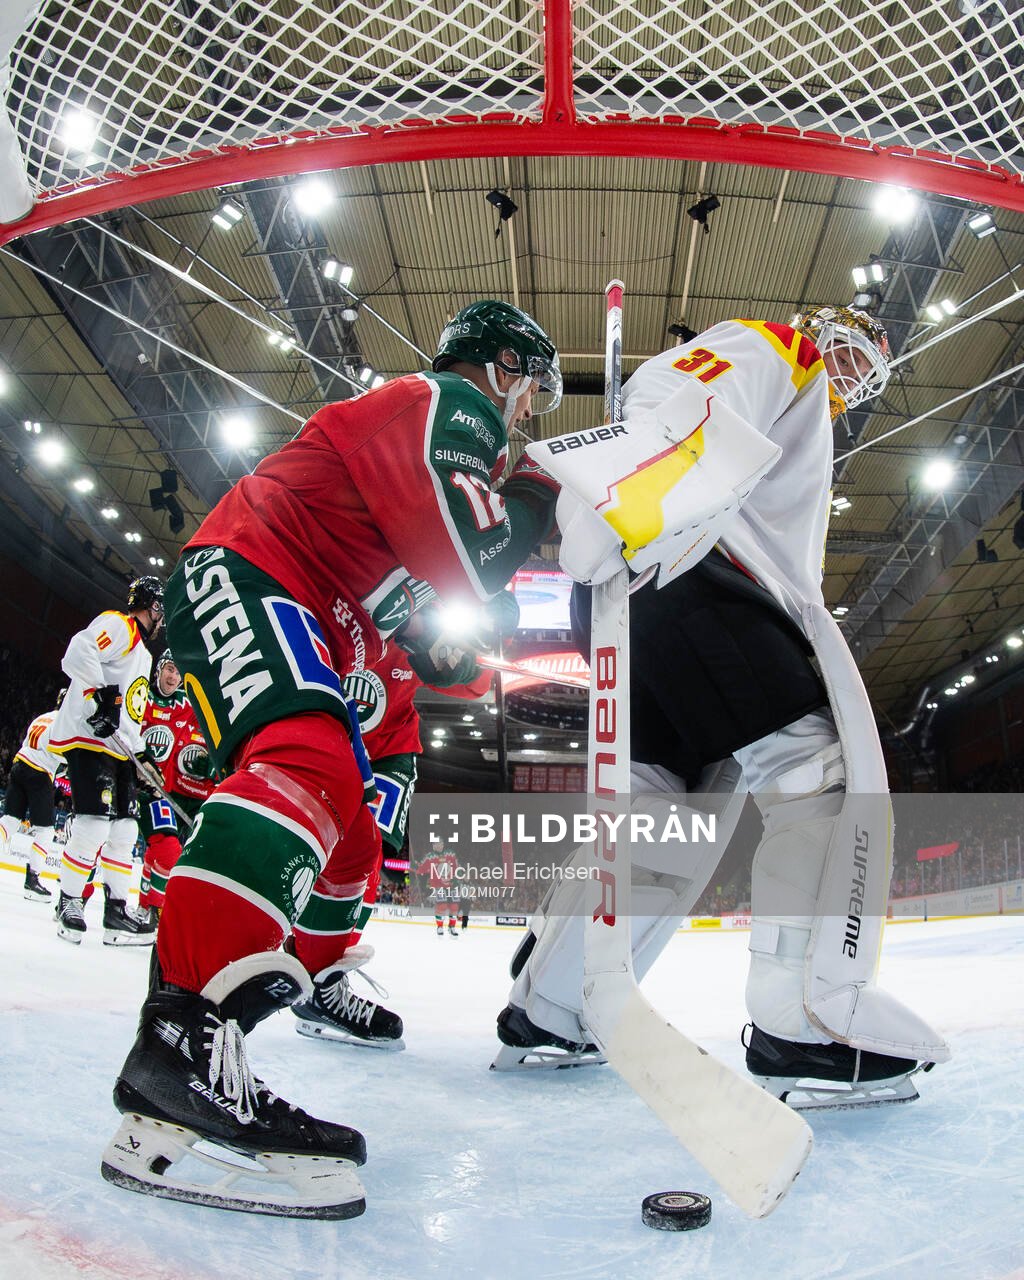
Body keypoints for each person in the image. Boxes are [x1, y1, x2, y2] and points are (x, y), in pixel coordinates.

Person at [102, 299, 562, 1217]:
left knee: (351, 829)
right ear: (504, 367)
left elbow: (424, 618)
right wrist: (546, 488)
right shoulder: (448, 402)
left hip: (305, 596)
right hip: (252, 568)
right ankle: (180, 1047)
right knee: (309, 761)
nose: (522, 419)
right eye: (528, 394)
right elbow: (474, 557)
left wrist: (454, 653)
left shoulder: (415, 447)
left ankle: (238, 1022)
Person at [497, 306, 951, 1107]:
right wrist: (636, 495)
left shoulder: (804, 419)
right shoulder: (785, 347)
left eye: (873, 362)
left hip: (650, 584)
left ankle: (554, 1004)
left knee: (665, 816)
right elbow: (682, 388)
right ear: (828, 329)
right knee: (816, 774)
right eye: (860, 346)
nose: (859, 367)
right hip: (688, 567)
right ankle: (808, 1017)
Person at [292, 613, 498, 1049]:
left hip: (388, 755)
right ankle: (308, 961)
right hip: (325, 744)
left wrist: (465, 655)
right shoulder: (328, 597)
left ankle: (323, 981)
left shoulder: (421, 613)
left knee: (363, 861)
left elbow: (478, 684)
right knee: (315, 854)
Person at [48, 577, 163, 945]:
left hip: (118, 749)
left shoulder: (144, 655)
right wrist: (98, 695)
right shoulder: (120, 625)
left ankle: (115, 911)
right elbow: (79, 650)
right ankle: (69, 901)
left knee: (125, 831)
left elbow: (129, 713)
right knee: (94, 825)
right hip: (91, 740)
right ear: (154, 607)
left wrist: (142, 756)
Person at [136, 651, 216, 918]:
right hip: (130, 783)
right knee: (105, 837)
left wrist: (215, 767)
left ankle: (147, 909)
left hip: (159, 792)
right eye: (169, 669)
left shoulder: (187, 704)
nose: (173, 677)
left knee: (163, 851)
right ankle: (73, 896)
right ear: (159, 669)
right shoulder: (140, 696)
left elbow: (215, 734)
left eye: (178, 672)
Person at [0, 694, 65, 901]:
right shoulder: (66, 722)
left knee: (10, 820)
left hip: (20, 764)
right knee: (45, 830)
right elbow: (63, 754)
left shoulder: (42, 717)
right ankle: (32, 881)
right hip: (39, 772)